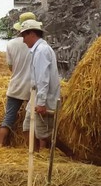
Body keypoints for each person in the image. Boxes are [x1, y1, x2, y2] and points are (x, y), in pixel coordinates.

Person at [18, 19, 70, 154]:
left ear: (32, 34)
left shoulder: (42, 51)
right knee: (27, 128)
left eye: (24, 36)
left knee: (44, 134)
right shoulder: (38, 50)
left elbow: (43, 80)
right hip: (36, 97)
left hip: (45, 99)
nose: (23, 41)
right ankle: (34, 155)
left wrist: (41, 103)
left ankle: (69, 153)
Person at [0, 11, 36, 146]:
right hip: (31, 87)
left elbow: (11, 67)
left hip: (15, 85)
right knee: (33, 119)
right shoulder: (37, 44)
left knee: (8, 118)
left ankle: (0, 146)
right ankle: (35, 149)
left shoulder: (11, 44)